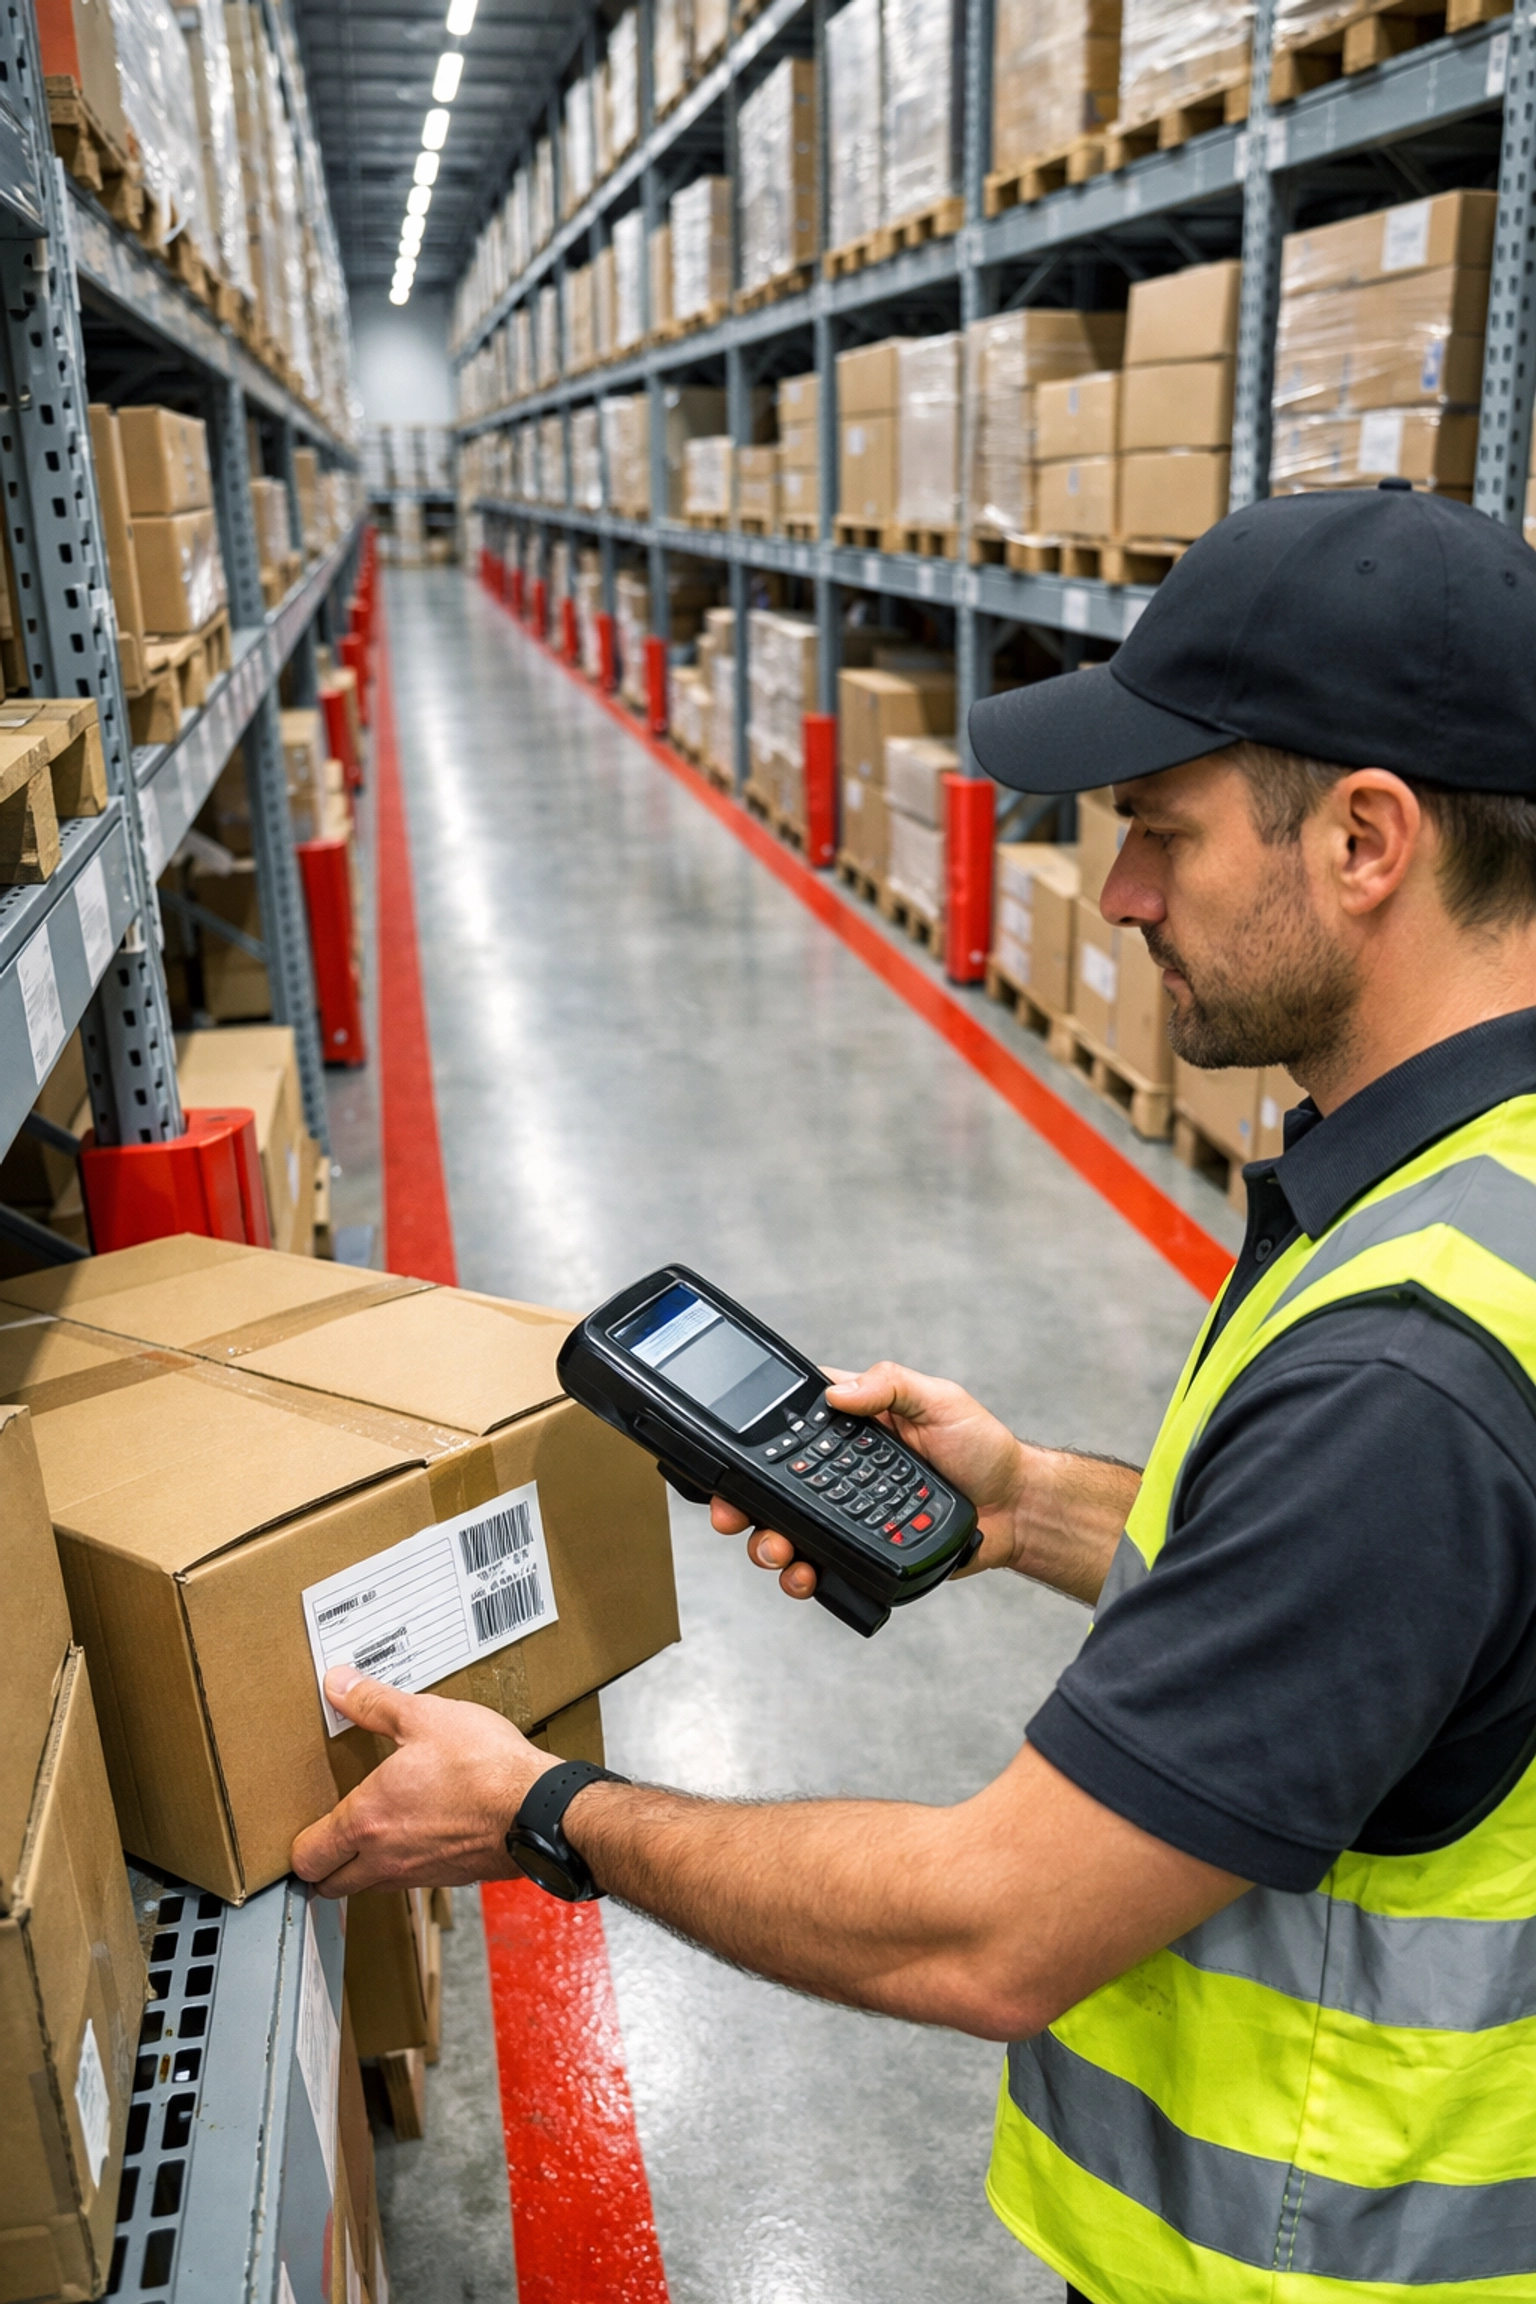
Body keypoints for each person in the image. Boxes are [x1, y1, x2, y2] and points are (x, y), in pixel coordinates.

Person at [294, 481, 1536, 2299]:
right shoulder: (1474, 1196)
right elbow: (1385, 1612)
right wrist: (1019, 1500)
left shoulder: (1406, 1372)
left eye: (1159, 832)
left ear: (1365, 839)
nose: (1114, 897)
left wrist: (545, 1817)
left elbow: (993, 1930)